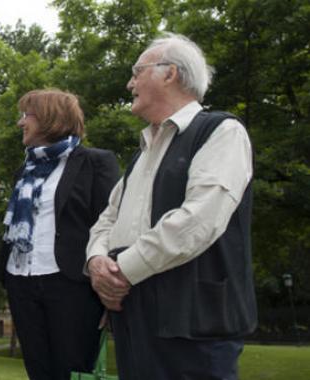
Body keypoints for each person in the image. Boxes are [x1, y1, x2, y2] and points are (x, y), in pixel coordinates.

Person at [86, 33, 257, 380]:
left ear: (170, 74)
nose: (129, 82)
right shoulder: (142, 154)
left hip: (196, 325)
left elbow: (198, 221)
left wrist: (119, 273)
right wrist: (96, 261)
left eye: (137, 71)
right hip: (135, 318)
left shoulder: (221, 132)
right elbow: (108, 219)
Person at [0, 89, 119, 379]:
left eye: (27, 115)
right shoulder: (25, 169)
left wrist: (109, 291)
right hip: (21, 282)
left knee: (70, 369)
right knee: (38, 371)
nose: (20, 123)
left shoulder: (96, 162)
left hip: (72, 286)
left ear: (51, 119)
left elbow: (113, 224)